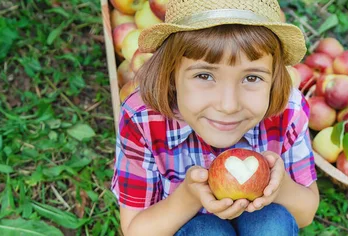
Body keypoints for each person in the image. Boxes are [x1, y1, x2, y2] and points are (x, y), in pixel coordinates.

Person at [110, 0, 320, 235]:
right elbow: (136, 230)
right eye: (204, 75)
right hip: (184, 226)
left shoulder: (287, 110)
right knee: (205, 231)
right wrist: (189, 196)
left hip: (261, 219)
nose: (228, 105)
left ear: (274, 79)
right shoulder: (143, 118)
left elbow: (306, 213)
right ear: (170, 74)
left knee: (272, 223)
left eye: (251, 78)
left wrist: (278, 188)